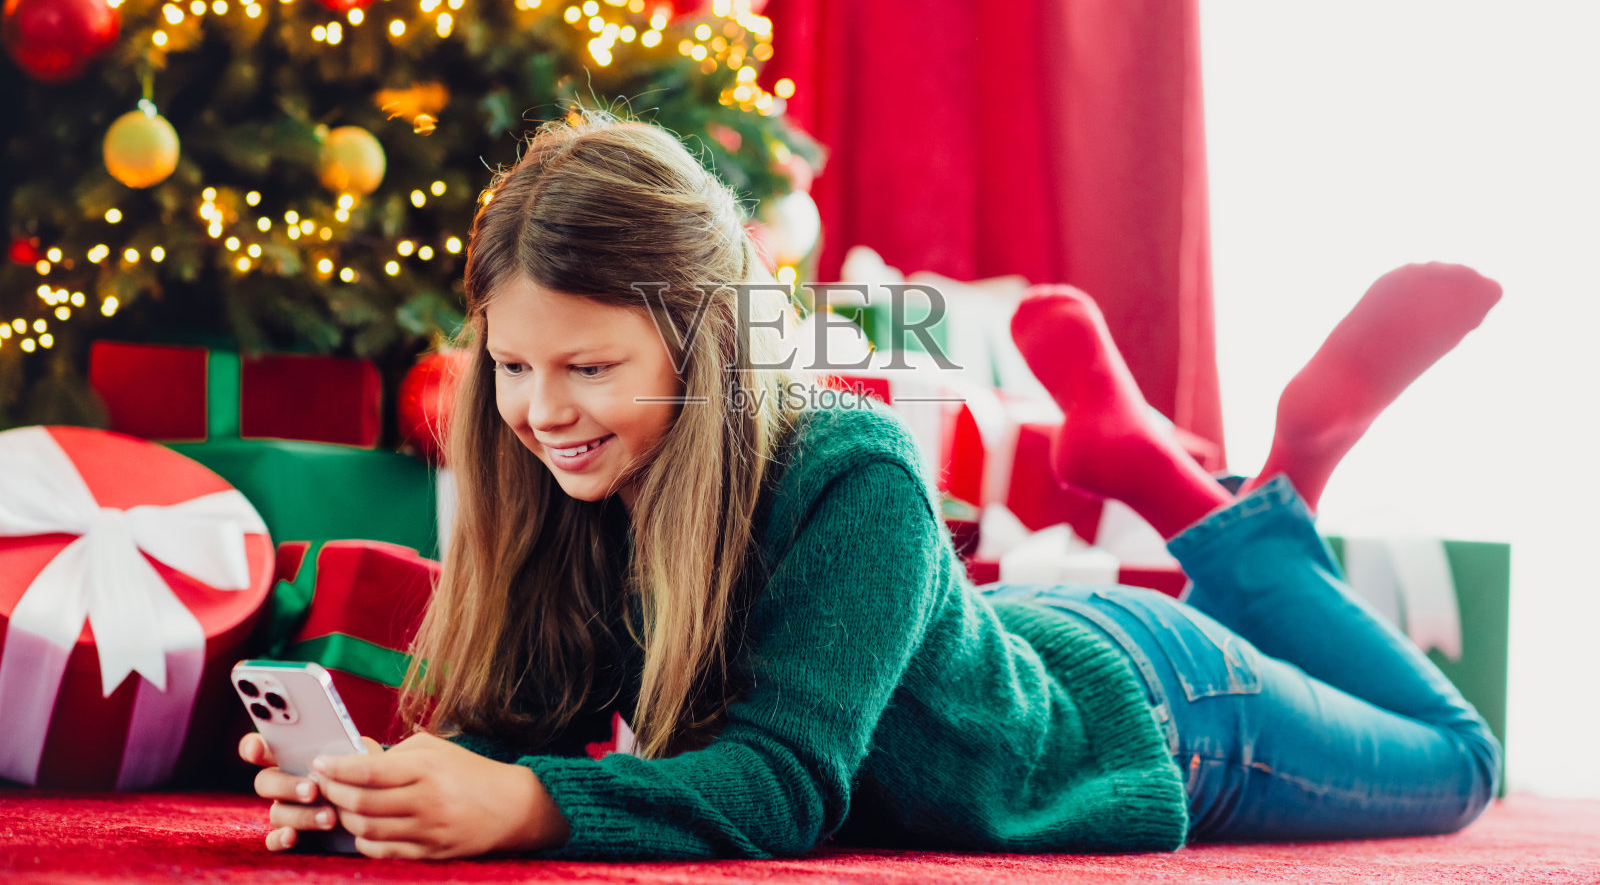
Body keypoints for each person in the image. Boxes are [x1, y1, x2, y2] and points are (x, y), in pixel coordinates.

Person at [240, 114, 1503, 860]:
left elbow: (780, 782)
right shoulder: (571, 476)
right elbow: (523, 720)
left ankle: (1239, 504)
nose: (541, 409)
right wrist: (396, 786)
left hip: (1160, 709)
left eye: (590, 366)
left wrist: (527, 806)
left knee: (1461, 762)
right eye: (515, 366)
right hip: (1005, 650)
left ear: (708, 344)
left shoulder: (852, 470)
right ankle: (1160, 474)